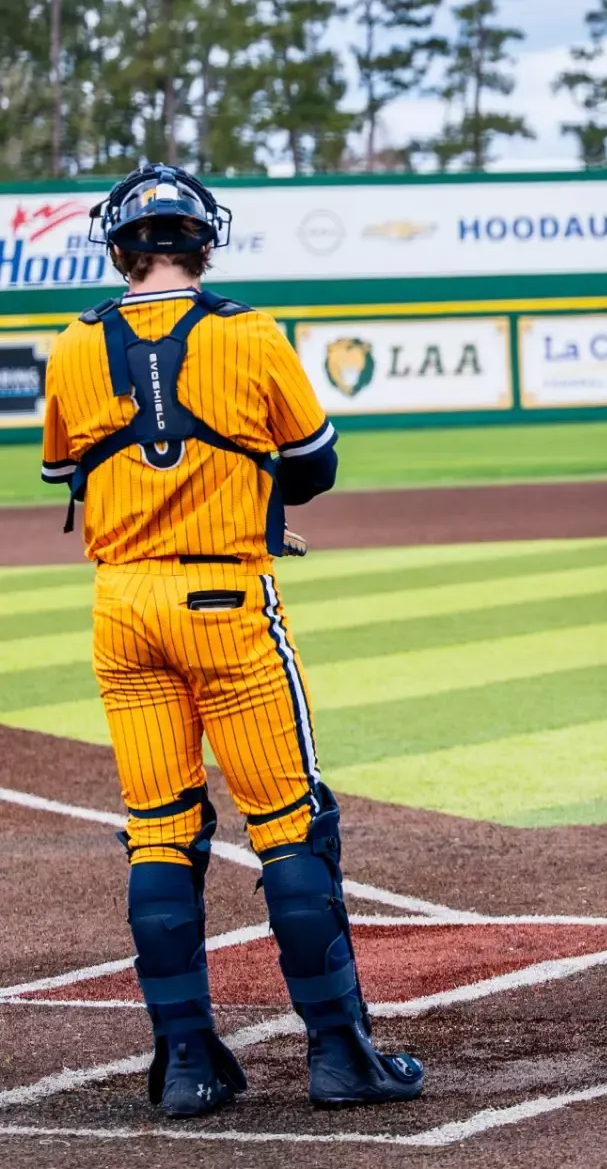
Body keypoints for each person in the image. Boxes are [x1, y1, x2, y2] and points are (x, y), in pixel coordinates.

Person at [38, 164, 422, 1117]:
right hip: (226, 603)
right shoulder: (249, 331)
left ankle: (185, 1063)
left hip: (122, 607)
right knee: (292, 824)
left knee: (161, 829)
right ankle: (340, 1053)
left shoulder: (71, 346)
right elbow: (315, 465)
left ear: (119, 248)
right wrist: (241, 502)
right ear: (203, 244)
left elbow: (66, 467)